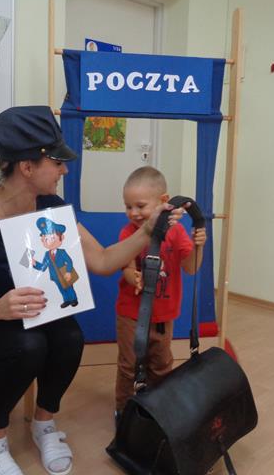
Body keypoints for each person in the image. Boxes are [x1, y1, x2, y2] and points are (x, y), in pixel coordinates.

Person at [0, 106, 184, 475]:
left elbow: (103, 261)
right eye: (57, 162)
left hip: (18, 321)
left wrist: (147, 231)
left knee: (69, 335)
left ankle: (44, 423)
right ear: (27, 167)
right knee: (29, 345)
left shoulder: (52, 208)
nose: (64, 171)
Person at [114, 166, 207, 420]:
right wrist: (134, 276)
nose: (133, 213)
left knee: (162, 365)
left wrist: (198, 246)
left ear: (163, 202)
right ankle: (124, 412)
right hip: (131, 314)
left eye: (140, 206)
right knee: (129, 365)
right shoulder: (129, 232)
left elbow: (190, 268)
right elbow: (126, 267)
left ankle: (158, 410)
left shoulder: (176, 233)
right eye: (128, 206)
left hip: (163, 316)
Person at [31, 217, 79, 309]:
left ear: (62, 237)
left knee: (69, 287)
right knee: (61, 288)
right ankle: (66, 300)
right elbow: (43, 267)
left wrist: (68, 271)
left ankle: (73, 299)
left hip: (64, 274)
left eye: (52, 238)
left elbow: (69, 261)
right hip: (55, 276)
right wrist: (34, 263)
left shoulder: (62, 252)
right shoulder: (47, 254)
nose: (49, 241)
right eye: (45, 239)